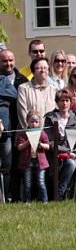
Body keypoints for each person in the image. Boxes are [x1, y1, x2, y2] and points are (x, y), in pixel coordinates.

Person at [45, 89, 76, 200]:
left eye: (67, 100)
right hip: (56, 155)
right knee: (71, 163)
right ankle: (59, 194)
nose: (64, 103)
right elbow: (49, 142)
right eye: (61, 101)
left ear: (71, 102)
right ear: (57, 102)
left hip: (74, 154)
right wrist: (67, 152)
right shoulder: (50, 118)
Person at [0, 47, 28, 192]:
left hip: (14, 128)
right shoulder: (2, 78)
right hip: (5, 126)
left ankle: (12, 195)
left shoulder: (21, 79)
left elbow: (14, 94)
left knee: (11, 164)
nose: (8, 63)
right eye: (5, 61)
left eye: (10, 60)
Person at [15, 111, 49, 203]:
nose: (34, 124)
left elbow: (48, 146)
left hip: (40, 162)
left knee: (41, 182)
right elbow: (19, 147)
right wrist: (29, 141)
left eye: (36, 121)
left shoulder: (42, 133)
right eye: (32, 121)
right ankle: (27, 201)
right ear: (27, 121)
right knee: (28, 184)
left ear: (39, 122)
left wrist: (40, 144)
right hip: (27, 162)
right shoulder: (23, 134)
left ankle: (45, 201)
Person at [16, 57, 56, 128]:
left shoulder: (54, 89)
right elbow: (22, 113)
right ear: (33, 71)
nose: (42, 70)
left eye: (45, 68)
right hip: (29, 133)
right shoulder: (23, 88)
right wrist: (31, 132)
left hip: (49, 134)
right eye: (39, 68)